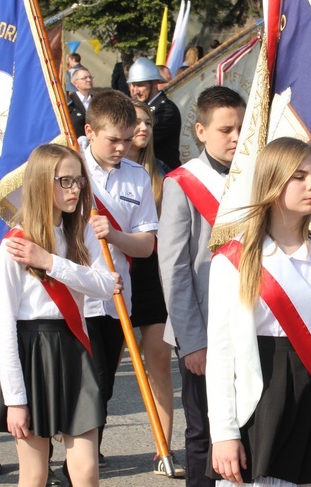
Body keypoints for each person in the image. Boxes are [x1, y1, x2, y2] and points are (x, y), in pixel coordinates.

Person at [207, 136, 311, 485]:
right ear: (271, 182)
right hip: (261, 402)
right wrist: (223, 433)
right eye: (299, 176)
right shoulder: (233, 261)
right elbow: (221, 355)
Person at [0, 143, 120, 487]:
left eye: (79, 181)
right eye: (65, 181)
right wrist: (15, 399)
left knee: (86, 470)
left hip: (74, 346)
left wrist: (49, 262)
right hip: (32, 352)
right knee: (34, 474)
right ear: (42, 182)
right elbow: (3, 326)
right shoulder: (13, 247)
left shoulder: (80, 231)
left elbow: (108, 285)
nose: (75, 189)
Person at [158, 85, 245, 487]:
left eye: (241, 128)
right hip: (204, 329)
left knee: (245, 424)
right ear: (200, 131)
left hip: (247, 321)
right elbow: (174, 267)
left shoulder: (254, 176)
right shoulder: (182, 182)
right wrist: (192, 341)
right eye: (226, 129)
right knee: (203, 431)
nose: (235, 137)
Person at [80, 90, 158, 468]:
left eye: (128, 140)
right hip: (69, 297)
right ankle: (67, 456)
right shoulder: (68, 161)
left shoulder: (137, 176)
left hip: (113, 295)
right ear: (89, 131)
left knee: (103, 384)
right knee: (74, 381)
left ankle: (88, 449)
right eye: (113, 140)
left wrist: (113, 234)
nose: (122, 148)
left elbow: (145, 246)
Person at [125, 99, 185, 477]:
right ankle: (88, 442)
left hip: (153, 276)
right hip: (115, 273)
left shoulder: (164, 173)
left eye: (148, 121)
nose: (144, 127)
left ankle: (163, 448)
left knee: (159, 364)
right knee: (103, 366)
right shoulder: (97, 173)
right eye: (136, 121)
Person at [126, 57, 182, 169]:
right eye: (134, 85)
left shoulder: (167, 109)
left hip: (163, 172)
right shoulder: (140, 107)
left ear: (155, 82)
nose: (136, 91)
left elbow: (141, 140)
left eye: (141, 85)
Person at [68, 67, 94, 137]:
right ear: (75, 83)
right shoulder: (70, 103)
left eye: (90, 77)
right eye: (84, 78)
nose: (89, 80)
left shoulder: (97, 101)